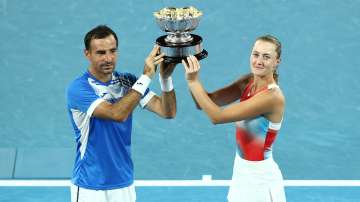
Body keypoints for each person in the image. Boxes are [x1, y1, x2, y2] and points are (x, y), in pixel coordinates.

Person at [66, 25, 177, 202]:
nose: (108, 58)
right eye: (101, 53)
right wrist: (147, 76)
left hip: (123, 182)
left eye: (113, 51)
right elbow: (117, 114)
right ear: (87, 54)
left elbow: (167, 111)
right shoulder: (79, 88)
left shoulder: (128, 82)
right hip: (90, 185)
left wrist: (165, 78)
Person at [182, 35, 286, 202]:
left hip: (261, 180)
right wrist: (191, 77)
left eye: (266, 57)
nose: (259, 61)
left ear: (277, 62)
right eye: (256, 54)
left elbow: (217, 116)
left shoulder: (272, 96)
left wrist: (194, 82)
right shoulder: (248, 82)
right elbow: (205, 102)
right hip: (240, 171)